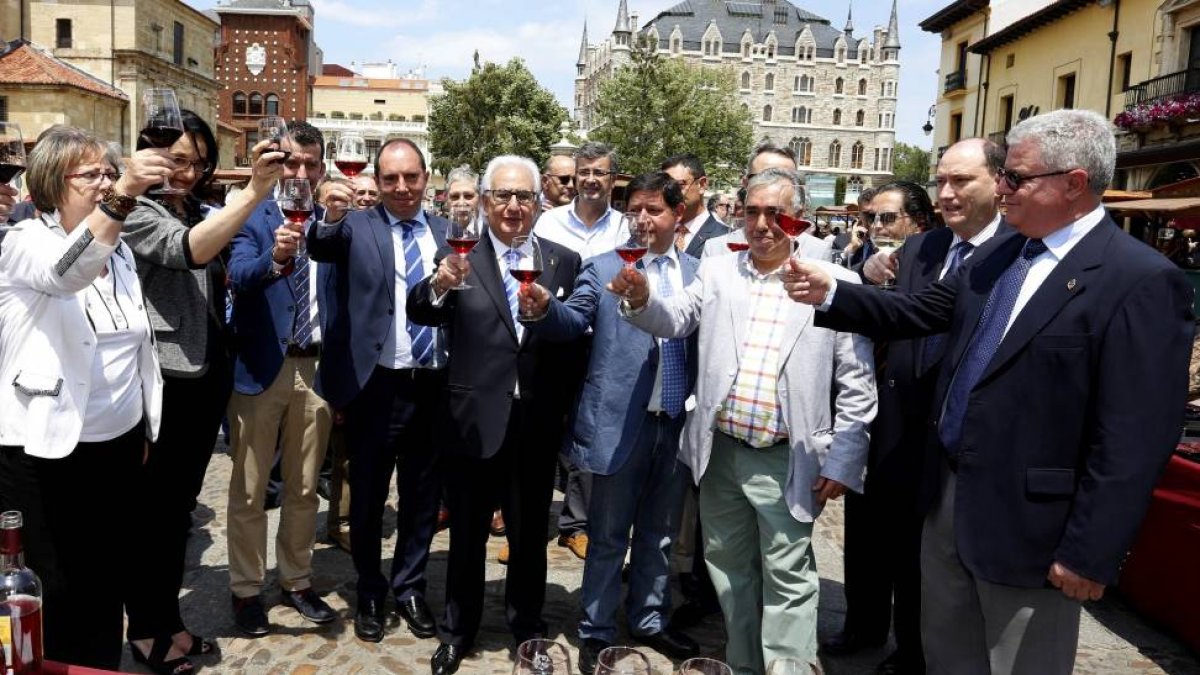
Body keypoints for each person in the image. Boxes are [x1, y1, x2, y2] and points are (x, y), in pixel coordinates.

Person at [785, 109, 1195, 675]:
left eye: (1016, 178)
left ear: (1073, 183)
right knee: (948, 658)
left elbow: (1135, 436)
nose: (1001, 189)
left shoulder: (1139, 279)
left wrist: (1090, 550)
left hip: (1031, 531)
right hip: (947, 502)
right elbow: (921, 311)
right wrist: (831, 292)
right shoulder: (1003, 254)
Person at [611, 168, 876, 673]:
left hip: (788, 457)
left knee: (789, 580)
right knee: (730, 575)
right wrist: (641, 298)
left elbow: (857, 380)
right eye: (752, 212)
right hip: (722, 455)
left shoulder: (834, 282)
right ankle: (746, 665)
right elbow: (674, 319)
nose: (761, 224)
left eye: (775, 213)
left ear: (798, 219)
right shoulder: (718, 271)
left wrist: (845, 457)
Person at [823, 140, 1007, 675]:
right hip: (885, 417)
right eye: (940, 181)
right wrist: (865, 272)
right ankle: (862, 626)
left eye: (960, 181)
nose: (947, 192)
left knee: (917, 551)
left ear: (999, 182)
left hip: (942, 429)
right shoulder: (924, 250)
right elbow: (893, 314)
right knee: (866, 535)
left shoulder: (1013, 253)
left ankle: (912, 649)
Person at [118, 110, 284, 669]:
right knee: (153, 516)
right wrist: (255, 191)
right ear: (150, 152)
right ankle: (147, 632)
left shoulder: (193, 206)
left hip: (204, 375)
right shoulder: (137, 210)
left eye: (198, 162)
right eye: (178, 160)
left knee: (176, 514)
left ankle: (168, 622)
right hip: (164, 379)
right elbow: (187, 249)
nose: (187, 172)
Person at [0, 125, 168, 670]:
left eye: (110, 173)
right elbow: (65, 273)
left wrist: (141, 425)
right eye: (92, 174)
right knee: (55, 584)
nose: (105, 183)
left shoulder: (119, 250)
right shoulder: (25, 241)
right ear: (53, 182)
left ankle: (100, 665)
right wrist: (124, 195)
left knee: (105, 578)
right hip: (46, 448)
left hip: (117, 444)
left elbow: (135, 344)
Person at [519, 172, 702, 674]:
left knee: (660, 534)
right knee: (607, 536)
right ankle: (596, 629)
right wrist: (545, 309)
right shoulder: (604, 267)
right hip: (621, 424)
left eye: (653, 210)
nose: (641, 219)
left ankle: (649, 618)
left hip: (676, 422)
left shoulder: (698, 272)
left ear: (678, 215)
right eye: (634, 209)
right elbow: (574, 320)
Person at [408, 155, 583, 675]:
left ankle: (528, 632)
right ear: (485, 201)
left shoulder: (563, 261)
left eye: (523, 196)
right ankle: (457, 632)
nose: (513, 206)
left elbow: (572, 341)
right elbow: (421, 309)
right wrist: (440, 283)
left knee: (529, 539)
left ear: (539, 202)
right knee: (466, 536)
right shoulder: (458, 255)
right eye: (502, 195)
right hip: (472, 422)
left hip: (535, 425)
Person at [307, 137, 450, 644]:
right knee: (367, 497)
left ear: (426, 177)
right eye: (390, 178)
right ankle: (370, 588)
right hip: (375, 385)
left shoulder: (448, 231)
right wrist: (329, 216)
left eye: (411, 177)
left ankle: (410, 586)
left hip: (432, 383)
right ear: (378, 180)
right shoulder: (355, 225)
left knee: (422, 496)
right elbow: (320, 245)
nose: (402, 187)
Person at [225, 121, 348, 636]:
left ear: (322, 168)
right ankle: (246, 589)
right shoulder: (251, 212)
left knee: (303, 487)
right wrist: (275, 258)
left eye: (310, 164)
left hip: (315, 369)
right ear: (277, 163)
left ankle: (296, 580)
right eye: (291, 161)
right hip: (261, 367)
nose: (300, 172)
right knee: (250, 488)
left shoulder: (335, 222)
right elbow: (238, 276)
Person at [534, 142, 625, 562]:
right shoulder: (548, 222)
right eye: (583, 171)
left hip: (601, 343)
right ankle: (529, 525)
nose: (590, 179)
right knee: (543, 431)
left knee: (588, 432)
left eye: (599, 172)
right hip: (552, 341)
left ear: (612, 179)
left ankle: (577, 525)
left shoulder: (625, 228)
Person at [661, 153, 728, 258]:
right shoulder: (657, 231)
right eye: (666, 187)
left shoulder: (723, 237)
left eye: (679, 185)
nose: (671, 193)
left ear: (702, 185)